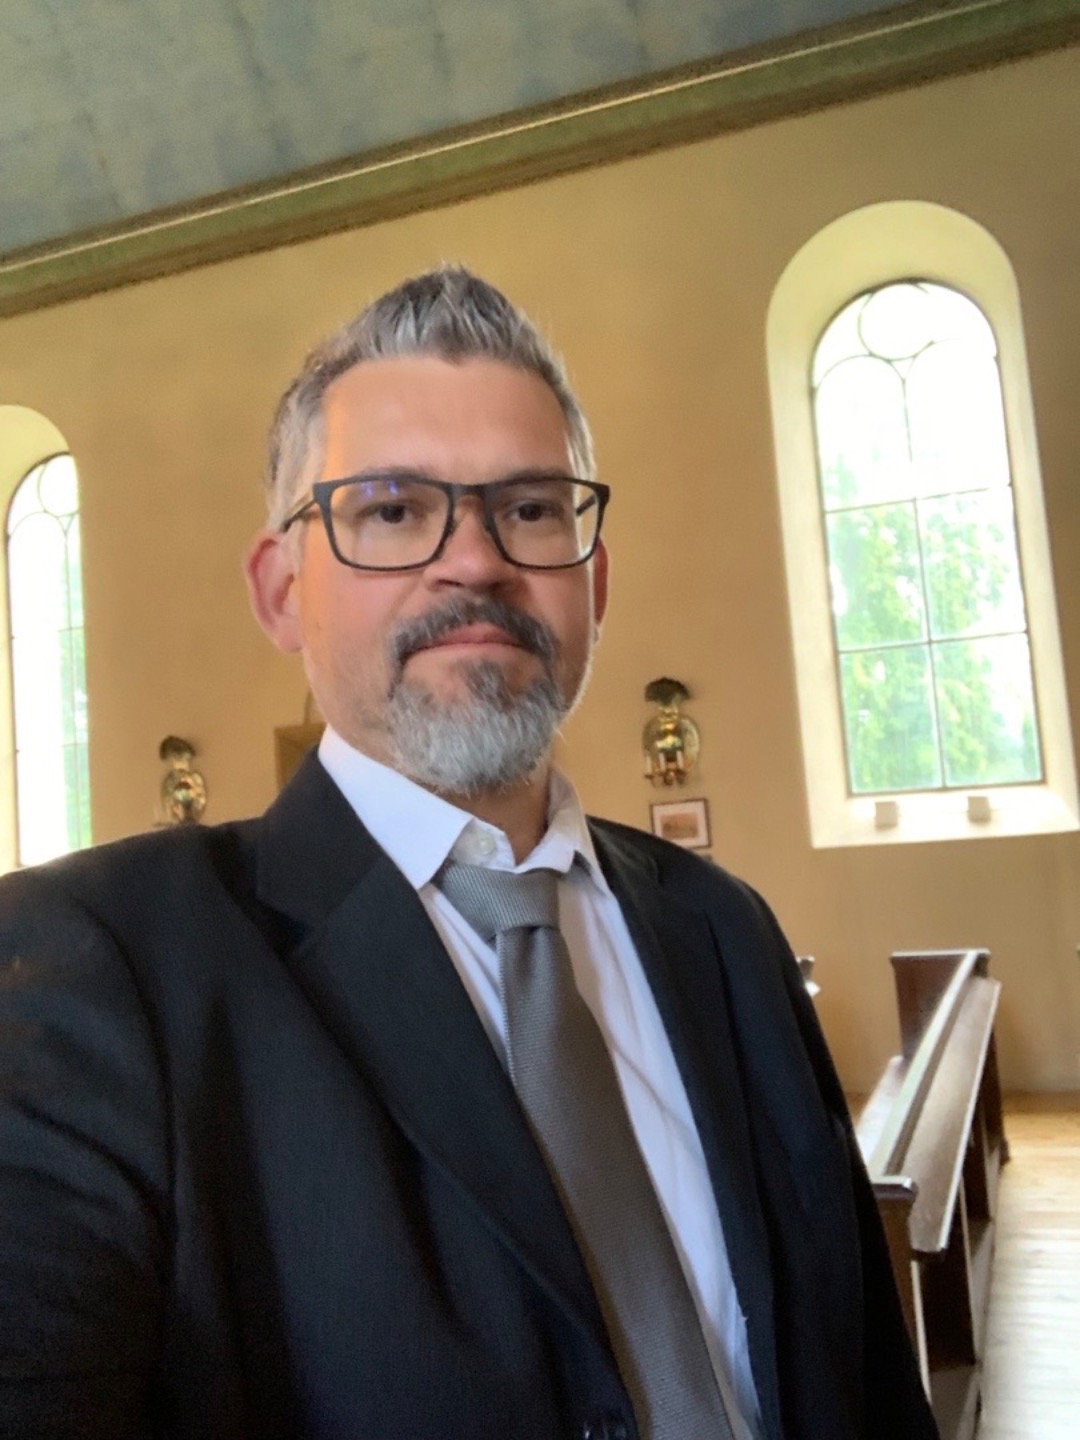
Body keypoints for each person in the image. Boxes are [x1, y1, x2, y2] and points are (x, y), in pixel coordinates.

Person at [0, 267, 938, 1440]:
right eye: (393, 511)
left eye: (531, 508)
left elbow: (865, 1378)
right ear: (282, 591)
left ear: (593, 582)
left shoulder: (725, 929)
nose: (476, 560)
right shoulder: (105, 969)